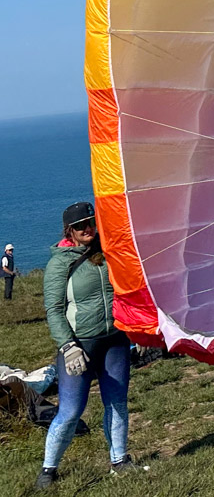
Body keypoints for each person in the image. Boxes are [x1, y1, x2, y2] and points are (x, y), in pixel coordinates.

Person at [35, 202, 134, 489]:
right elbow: (53, 309)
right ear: (69, 231)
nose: (88, 228)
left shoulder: (108, 251)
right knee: (70, 411)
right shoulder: (60, 262)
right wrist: (68, 346)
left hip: (114, 339)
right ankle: (48, 470)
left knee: (117, 403)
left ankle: (120, 461)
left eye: (91, 222)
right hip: (80, 345)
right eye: (80, 226)